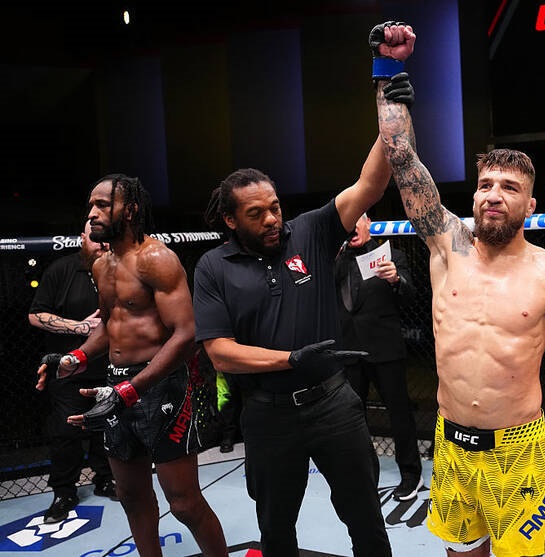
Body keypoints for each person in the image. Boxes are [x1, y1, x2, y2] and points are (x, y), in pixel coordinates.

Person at [371, 23, 545, 557]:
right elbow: (401, 157)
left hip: (518, 450)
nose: (493, 195)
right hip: (451, 441)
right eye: (485, 185)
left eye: (509, 187)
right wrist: (388, 71)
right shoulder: (446, 245)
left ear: (530, 205)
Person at [192, 50, 414, 554]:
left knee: (366, 521)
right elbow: (220, 353)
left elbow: (370, 184)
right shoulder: (212, 267)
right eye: (256, 214)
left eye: (274, 207)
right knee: (276, 531)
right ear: (231, 220)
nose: (272, 219)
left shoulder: (309, 231)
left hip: (334, 404)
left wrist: (389, 104)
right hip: (267, 416)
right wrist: (290, 359)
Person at [46, 174, 228, 557]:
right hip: (116, 385)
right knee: (131, 496)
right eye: (90, 206)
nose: (91, 214)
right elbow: (110, 326)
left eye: (102, 205)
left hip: (161, 385)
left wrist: (132, 389)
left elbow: (185, 334)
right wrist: (75, 358)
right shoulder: (102, 264)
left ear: (128, 210)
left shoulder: (156, 260)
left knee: (184, 503)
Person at [30, 220, 117, 524]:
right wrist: (80, 327)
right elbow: (35, 315)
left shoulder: (120, 271)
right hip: (70, 369)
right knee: (66, 432)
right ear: (82, 238)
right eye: (94, 238)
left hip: (111, 366)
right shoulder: (63, 270)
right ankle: (64, 492)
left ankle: (106, 479)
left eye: (106, 238)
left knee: (109, 428)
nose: (101, 244)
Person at [335, 213, 423, 501]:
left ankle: (411, 473)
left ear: (368, 224)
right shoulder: (336, 259)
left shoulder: (392, 256)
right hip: (349, 350)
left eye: (357, 221)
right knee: (352, 418)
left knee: (399, 414)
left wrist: (396, 279)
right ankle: (362, 474)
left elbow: (410, 296)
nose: (352, 227)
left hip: (384, 349)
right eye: (347, 222)